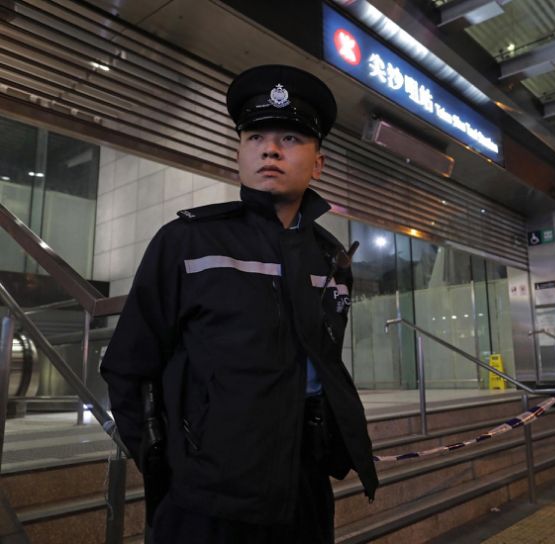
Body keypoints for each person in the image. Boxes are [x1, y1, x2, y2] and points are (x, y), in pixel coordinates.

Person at [101, 64, 378, 543]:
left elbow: (324, 363)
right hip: (206, 499)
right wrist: (169, 464)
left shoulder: (331, 258)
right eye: (255, 137)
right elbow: (128, 365)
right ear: (239, 153)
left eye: (290, 138)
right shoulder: (186, 242)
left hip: (303, 491)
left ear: (318, 164)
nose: (270, 148)